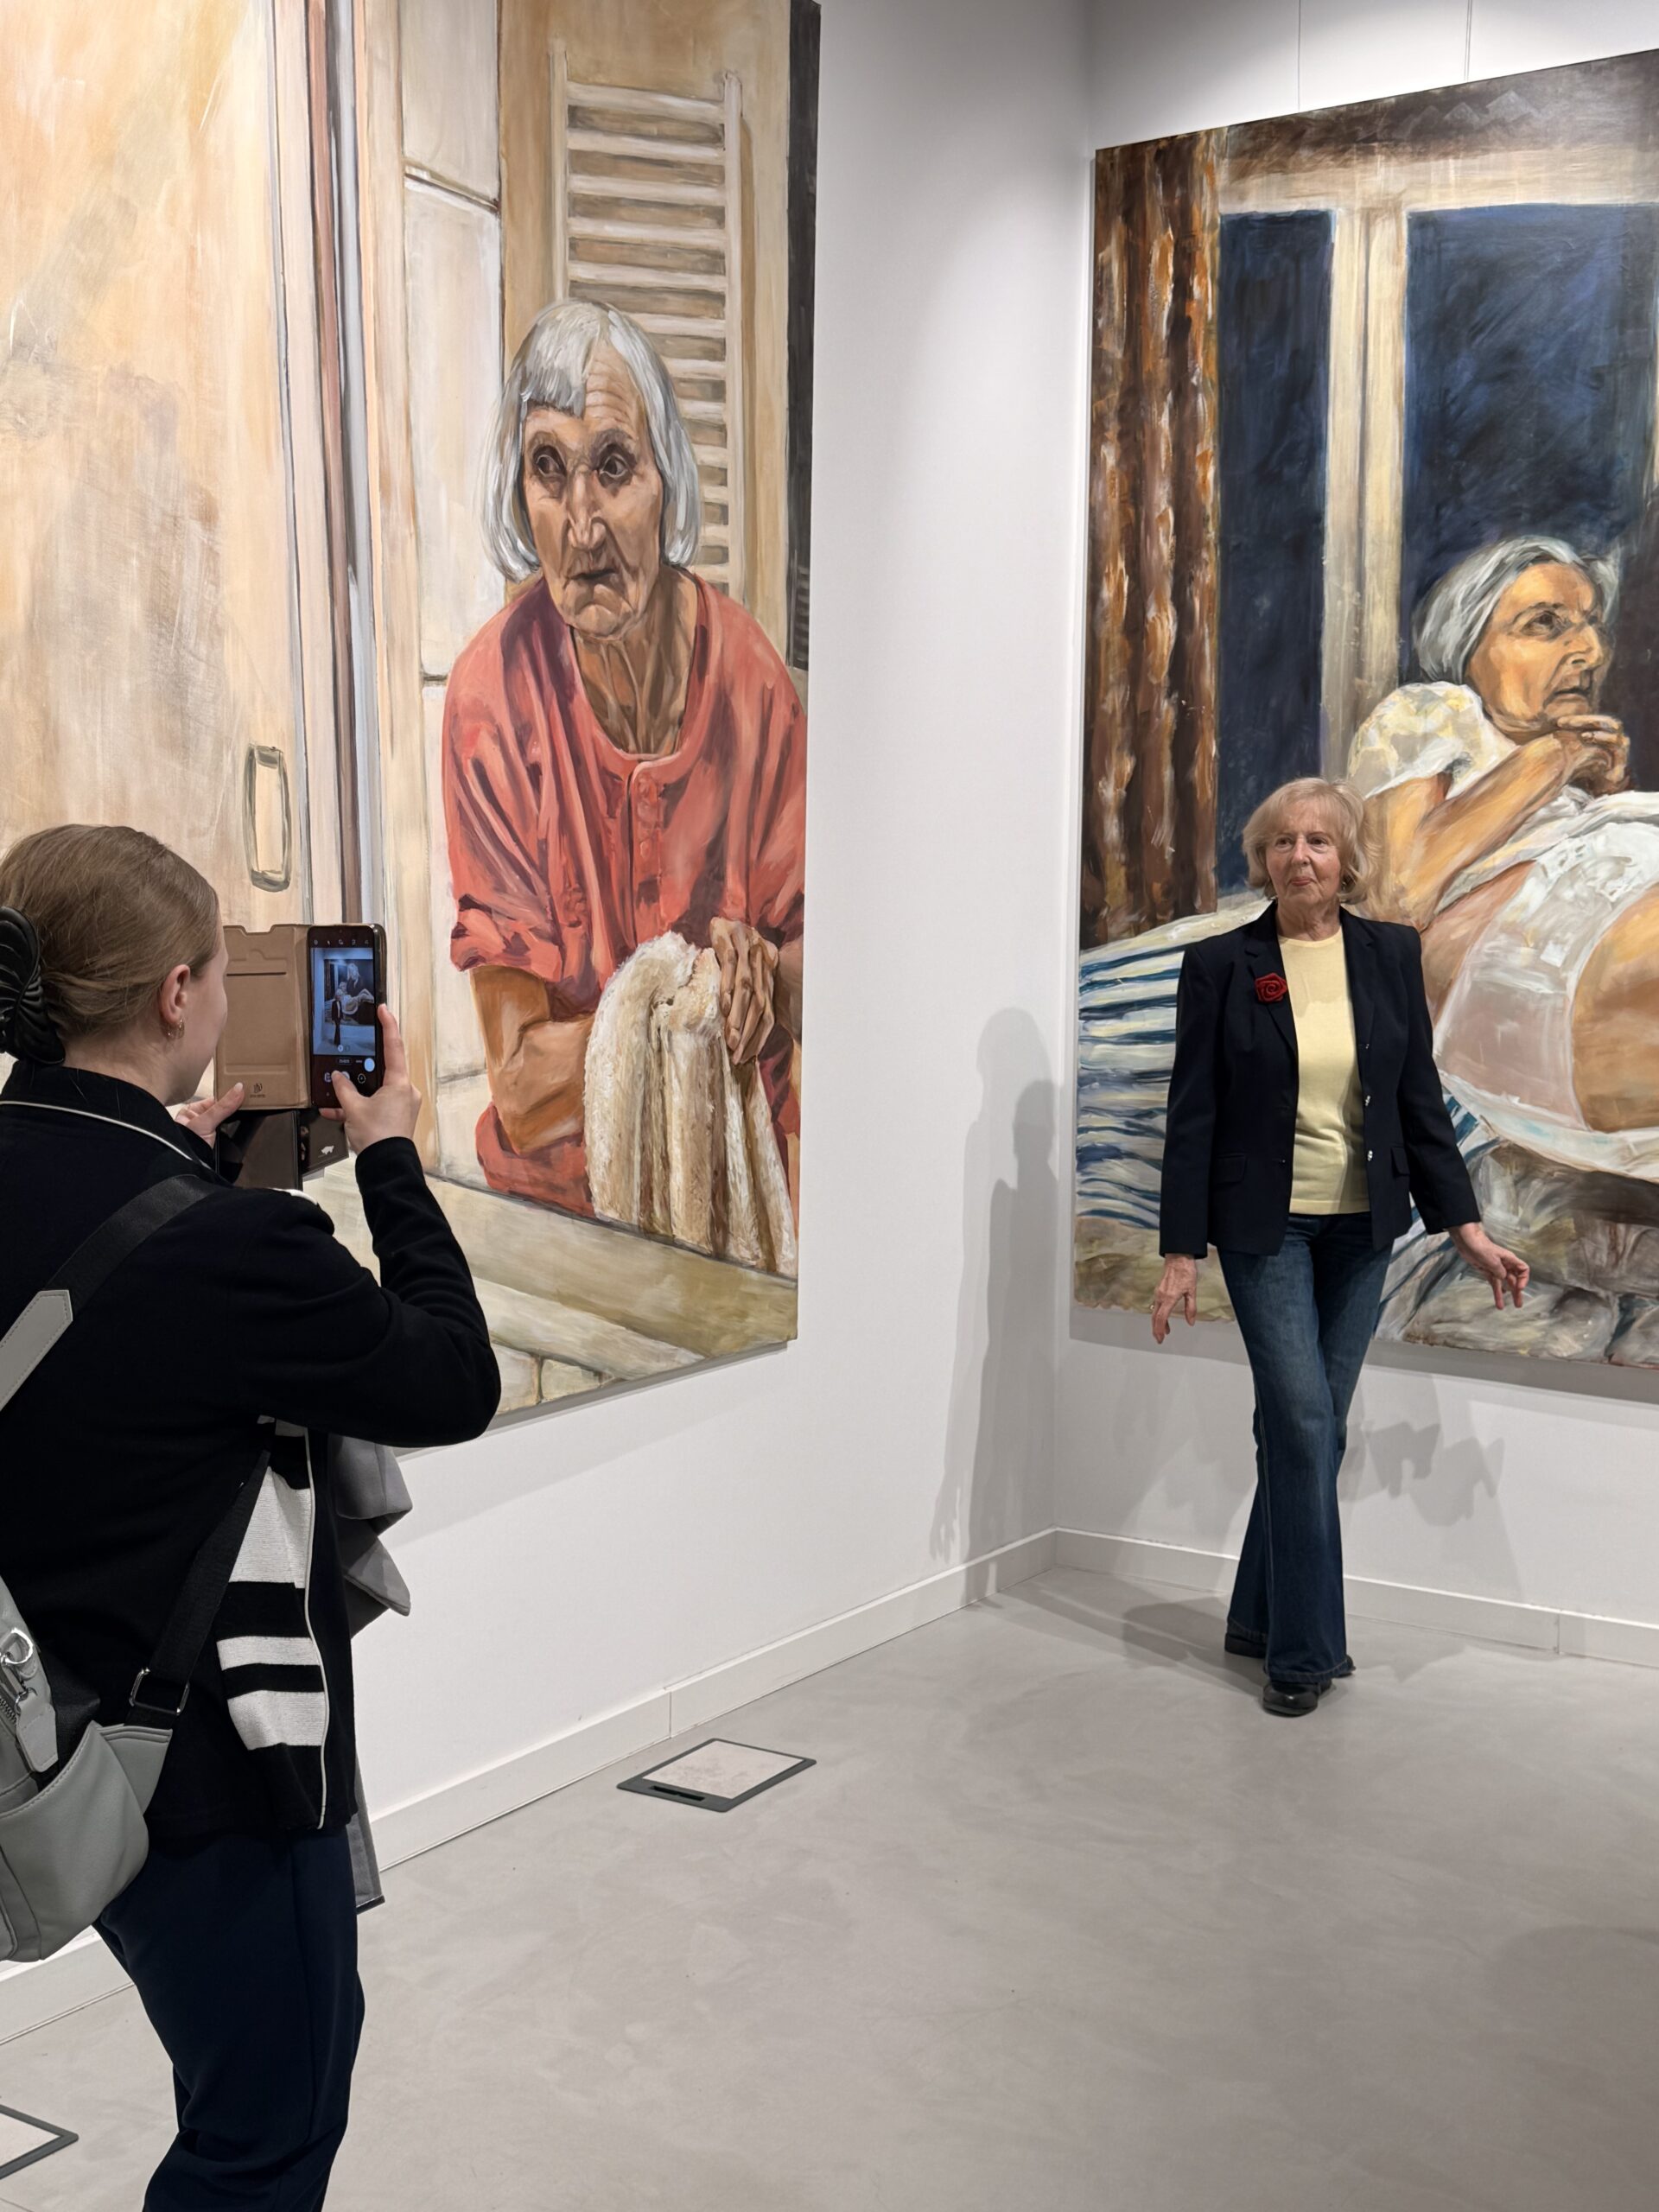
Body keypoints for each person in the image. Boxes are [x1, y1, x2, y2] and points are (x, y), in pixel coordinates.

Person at [0, 824, 499, 2207]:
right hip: (203, 1772)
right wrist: (391, 1159)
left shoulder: (165, 1208)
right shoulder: (232, 1248)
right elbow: (451, 1378)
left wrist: (183, 1177)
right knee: (265, 2130)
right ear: (177, 995)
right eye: (224, 971)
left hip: (40, 1739)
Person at [1149, 779, 1529, 1716]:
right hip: (1264, 1229)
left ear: (1346, 858)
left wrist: (1465, 1226)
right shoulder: (1222, 965)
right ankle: (1303, 1654)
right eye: (1283, 842)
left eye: (1319, 840)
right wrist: (1180, 1250)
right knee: (1306, 1423)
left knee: (1306, 1427)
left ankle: (1255, 1615)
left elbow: (1418, 1100)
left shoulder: (1390, 953)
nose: (1300, 856)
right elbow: (1192, 1115)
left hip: (1363, 1229)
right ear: (1262, 860)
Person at [442, 297, 806, 1217]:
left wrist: (765, 975)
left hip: (736, 1198)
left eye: (613, 467)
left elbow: (831, 980)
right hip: (563, 1210)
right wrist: (693, 995)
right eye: (548, 469)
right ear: (519, 497)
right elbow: (523, 1089)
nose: (582, 523)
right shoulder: (492, 696)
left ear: (666, 482)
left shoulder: (750, 676)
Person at [1352, 534, 1659, 1174]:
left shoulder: (1556, 769)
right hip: (1528, 963)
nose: (1590, 651)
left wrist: (1606, 794)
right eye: (1545, 623)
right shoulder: (1433, 710)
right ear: (1468, 647)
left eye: (1591, 625)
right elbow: (1394, 897)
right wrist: (1554, 758)